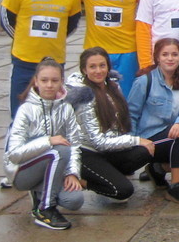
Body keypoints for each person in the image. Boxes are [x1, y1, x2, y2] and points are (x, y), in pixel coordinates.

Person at [14, 0, 146, 96]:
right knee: (94, 100)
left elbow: (146, 16)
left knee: (125, 99)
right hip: (94, 52)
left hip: (127, 53)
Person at [1, 0, 81, 119]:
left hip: (55, 61)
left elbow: (71, 24)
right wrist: (23, 39)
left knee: (51, 115)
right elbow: (6, 19)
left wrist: (55, 38)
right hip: (24, 61)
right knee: (19, 114)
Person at [4, 58, 84, 230]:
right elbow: (14, 154)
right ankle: (44, 209)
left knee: (75, 200)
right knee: (59, 150)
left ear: (61, 82)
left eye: (54, 80)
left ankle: (40, 193)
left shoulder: (66, 108)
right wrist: (47, 141)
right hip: (22, 172)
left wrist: (72, 173)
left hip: (53, 168)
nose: (49, 85)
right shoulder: (26, 109)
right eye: (44, 80)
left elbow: (75, 144)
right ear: (36, 81)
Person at [66, 47, 154, 202]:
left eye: (102, 65)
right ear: (84, 70)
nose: (98, 71)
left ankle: (110, 173)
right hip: (87, 152)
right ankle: (85, 182)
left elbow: (118, 127)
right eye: (92, 67)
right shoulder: (84, 97)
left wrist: (137, 142)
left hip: (106, 149)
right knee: (123, 190)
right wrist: (136, 140)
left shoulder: (113, 86)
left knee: (146, 151)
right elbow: (98, 142)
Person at [127, 38, 179, 204]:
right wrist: (133, 143)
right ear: (157, 58)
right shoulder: (145, 82)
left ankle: (158, 168)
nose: (170, 58)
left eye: (175, 54)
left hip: (177, 134)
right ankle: (176, 186)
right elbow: (131, 114)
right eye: (165, 54)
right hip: (151, 139)